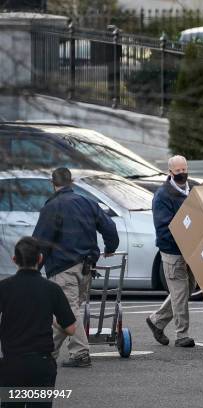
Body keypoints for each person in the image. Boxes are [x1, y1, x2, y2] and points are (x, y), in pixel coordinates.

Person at [33, 167, 119, 368]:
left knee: (68, 311)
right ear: (71, 182)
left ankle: (80, 352)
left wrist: (33, 269)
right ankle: (47, 352)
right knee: (66, 311)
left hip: (62, 268)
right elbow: (109, 227)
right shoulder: (87, 202)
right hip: (86, 267)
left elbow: (41, 242)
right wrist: (110, 247)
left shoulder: (52, 207)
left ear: (52, 183)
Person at [0, 238, 77, 407]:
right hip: (41, 364)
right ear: (40, 258)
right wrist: (54, 323)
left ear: (14, 260)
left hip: (12, 363)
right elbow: (71, 329)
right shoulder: (52, 289)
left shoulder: (4, 287)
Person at [146, 155, 197, 348]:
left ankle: (156, 320)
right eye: (178, 171)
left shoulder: (191, 189)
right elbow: (163, 228)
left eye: (184, 170)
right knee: (180, 291)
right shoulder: (163, 195)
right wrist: (184, 236)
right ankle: (182, 334)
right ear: (170, 172)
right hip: (172, 250)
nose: (182, 174)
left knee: (187, 289)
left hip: (191, 248)